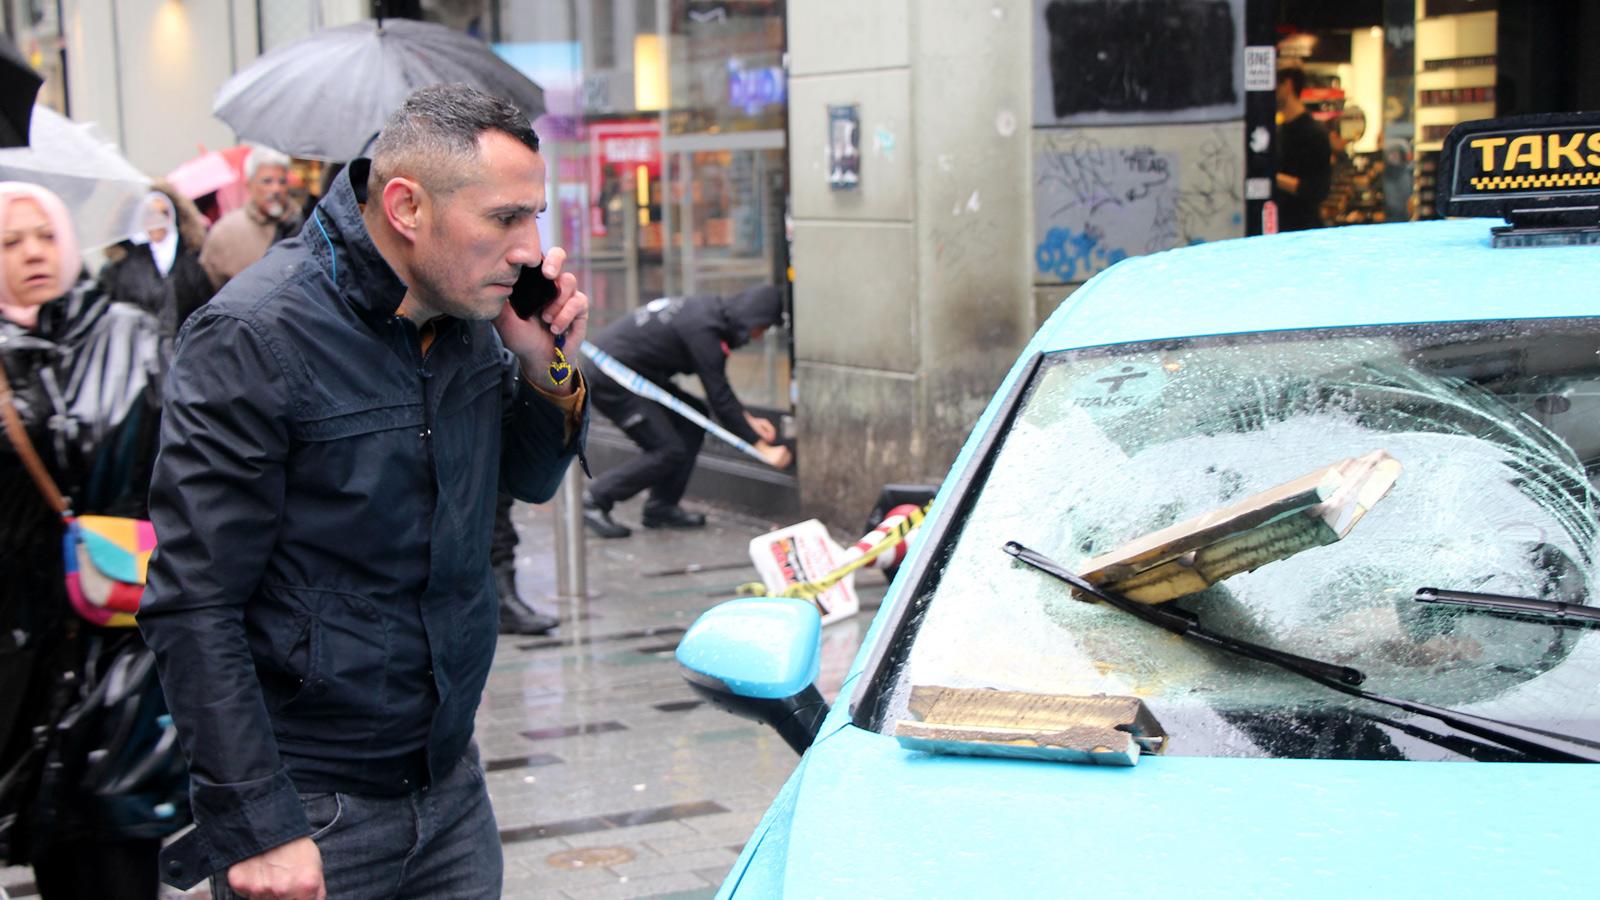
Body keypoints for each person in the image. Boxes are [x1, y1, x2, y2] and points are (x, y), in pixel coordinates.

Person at [138, 85, 589, 899]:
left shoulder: (469, 316)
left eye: (535, 217)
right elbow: (192, 601)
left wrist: (543, 362)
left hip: (448, 782)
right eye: (503, 219)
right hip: (310, 805)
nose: (530, 248)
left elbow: (527, 478)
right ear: (406, 206)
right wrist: (258, 823)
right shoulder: (254, 335)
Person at [0, 182, 186, 899]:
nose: (32, 254)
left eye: (42, 235)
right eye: (10, 243)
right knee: (56, 850)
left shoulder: (130, 334)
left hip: (121, 636)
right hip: (25, 653)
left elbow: (177, 468)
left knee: (117, 846)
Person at [579, 286, 792, 538]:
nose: (758, 336)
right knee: (667, 449)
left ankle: (661, 508)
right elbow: (719, 395)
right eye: (763, 327)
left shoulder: (710, 312)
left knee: (692, 419)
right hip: (611, 377)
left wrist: (749, 421)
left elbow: (719, 391)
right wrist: (759, 446)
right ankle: (595, 500)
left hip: (632, 372)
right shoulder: (705, 332)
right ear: (751, 316)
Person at [98, 183, 214, 337]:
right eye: (150, 214)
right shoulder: (119, 268)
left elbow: (205, 314)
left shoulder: (193, 264)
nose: (157, 220)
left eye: (163, 213)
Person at [198, 144, 302, 289]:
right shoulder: (226, 231)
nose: (276, 189)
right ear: (249, 185)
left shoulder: (306, 223)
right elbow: (209, 285)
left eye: (282, 181)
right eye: (267, 181)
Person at [1272, 67, 1333, 232]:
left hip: (1304, 229)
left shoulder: (1314, 133)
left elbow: (1318, 189)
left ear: (1288, 85)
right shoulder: (1277, 132)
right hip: (1280, 228)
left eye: (1275, 85)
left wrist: (1272, 177)